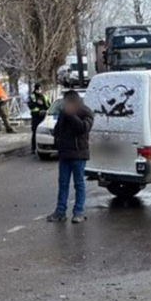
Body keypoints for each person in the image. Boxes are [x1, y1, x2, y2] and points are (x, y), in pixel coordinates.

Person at [47, 90, 94, 223]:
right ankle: (60, 211)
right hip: (64, 154)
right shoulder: (63, 113)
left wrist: (71, 115)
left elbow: (83, 128)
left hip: (79, 154)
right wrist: (57, 139)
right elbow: (58, 130)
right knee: (63, 183)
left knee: (79, 184)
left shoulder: (86, 112)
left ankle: (78, 212)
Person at [27, 83, 51, 154]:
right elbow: (31, 106)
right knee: (35, 132)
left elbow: (49, 105)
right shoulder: (32, 96)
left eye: (40, 89)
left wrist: (45, 110)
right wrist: (37, 103)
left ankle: (45, 146)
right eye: (38, 89)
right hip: (36, 117)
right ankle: (33, 148)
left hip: (44, 116)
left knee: (45, 132)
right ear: (35, 89)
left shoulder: (44, 96)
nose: (39, 91)